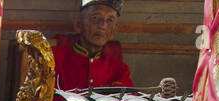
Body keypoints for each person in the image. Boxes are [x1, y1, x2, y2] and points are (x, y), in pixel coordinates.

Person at [50, 0, 178, 95]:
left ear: (114, 31)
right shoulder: (55, 59)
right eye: (95, 18)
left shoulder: (119, 69)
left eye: (110, 20)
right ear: (78, 24)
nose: (103, 25)